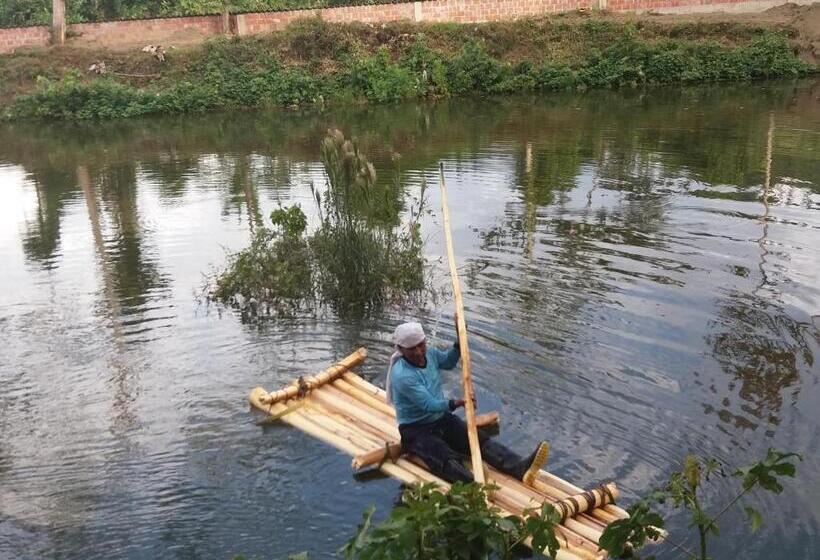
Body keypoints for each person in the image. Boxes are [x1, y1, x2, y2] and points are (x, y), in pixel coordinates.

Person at [386, 319, 549, 485]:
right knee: (442, 455)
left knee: (478, 439)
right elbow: (429, 405)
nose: (419, 352)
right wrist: (458, 403)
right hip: (415, 429)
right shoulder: (402, 375)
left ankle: (519, 467)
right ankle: (474, 485)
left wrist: (459, 340)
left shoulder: (431, 354)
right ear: (400, 349)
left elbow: (449, 362)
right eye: (412, 349)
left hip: (441, 419)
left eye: (421, 345)